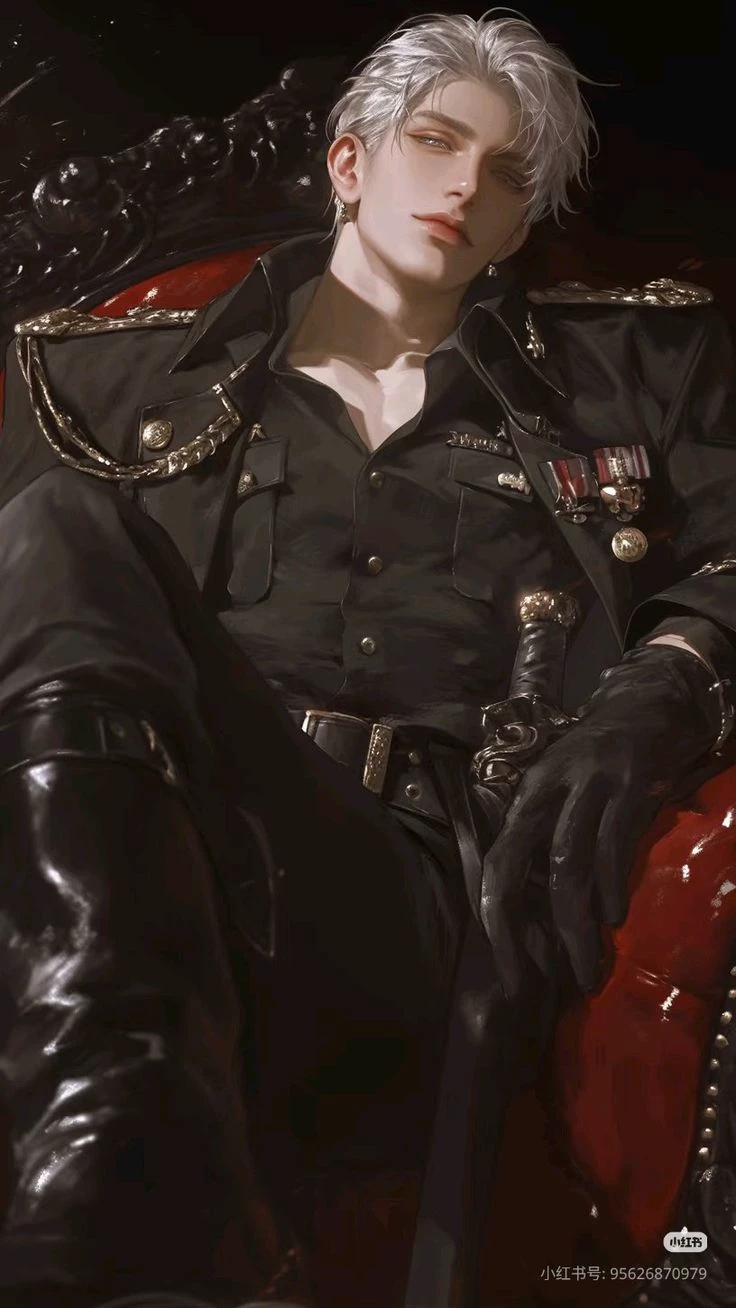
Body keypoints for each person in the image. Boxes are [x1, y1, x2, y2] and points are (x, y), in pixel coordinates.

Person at [0, 9, 735, 1307]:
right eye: (435, 142)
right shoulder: (98, 379)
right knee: (56, 529)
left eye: (507, 175)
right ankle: (117, 1120)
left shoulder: (637, 373)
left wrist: (665, 684)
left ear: (521, 222)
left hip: (402, 901)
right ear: (350, 160)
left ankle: (117, 1157)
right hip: (162, 849)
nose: (465, 188)